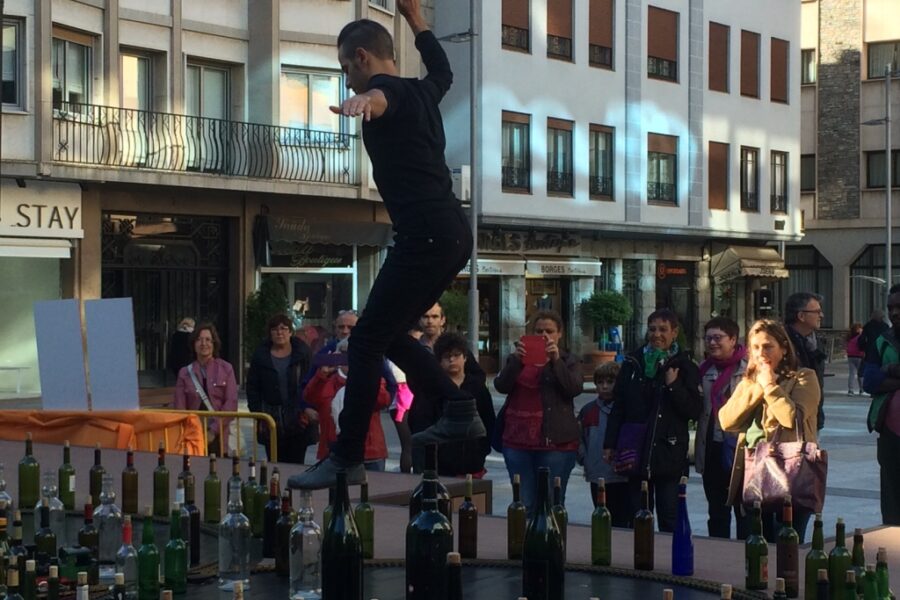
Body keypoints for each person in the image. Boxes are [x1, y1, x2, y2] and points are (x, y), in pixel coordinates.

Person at [288, 0, 485, 489]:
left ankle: (347, 455)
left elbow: (379, 99)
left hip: (425, 235)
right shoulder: (423, 90)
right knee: (388, 332)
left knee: (367, 341)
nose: (347, 82)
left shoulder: (385, 93)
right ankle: (458, 406)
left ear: (361, 56)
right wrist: (416, 18)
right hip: (451, 231)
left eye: (344, 69)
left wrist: (365, 103)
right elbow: (443, 70)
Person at [719, 319, 820, 542]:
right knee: (752, 542)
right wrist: (757, 387)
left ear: (784, 348)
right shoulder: (749, 382)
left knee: (784, 545)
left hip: (789, 472)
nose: (761, 353)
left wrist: (770, 387)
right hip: (753, 472)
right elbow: (726, 421)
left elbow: (793, 420)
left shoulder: (804, 377)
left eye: (768, 346)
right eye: (755, 347)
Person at [602, 308, 702, 533]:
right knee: (638, 515)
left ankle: (667, 564)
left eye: (663, 330)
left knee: (669, 515)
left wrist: (673, 385)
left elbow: (693, 410)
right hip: (636, 449)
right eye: (653, 329)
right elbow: (619, 406)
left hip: (669, 451)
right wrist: (610, 444)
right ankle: (642, 560)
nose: (657, 334)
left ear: (674, 333)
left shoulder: (684, 365)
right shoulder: (633, 362)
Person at [494, 310, 583, 515]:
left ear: (559, 334)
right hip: (517, 441)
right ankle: (525, 545)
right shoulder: (516, 359)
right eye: (538, 331)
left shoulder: (568, 361)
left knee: (551, 505)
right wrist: (517, 361)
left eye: (549, 331)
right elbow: (501, 385)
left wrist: (555, 361)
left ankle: (551, 546)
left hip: (555, 444)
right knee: (524, 502)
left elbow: (573, 388)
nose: (544, 335)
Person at [303, 339, 392, 471]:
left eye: (354, 354)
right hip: (332, 453)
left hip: (369, 453)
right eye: (344, 354)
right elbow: (309, 397)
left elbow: (383, 401)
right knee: (335, 491)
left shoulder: (372, 378)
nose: (349, 359)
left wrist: (367, 371)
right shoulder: (326, 381)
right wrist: (322, 374)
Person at [696, 317, 748, 539]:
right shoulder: (703, 370)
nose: (712, 343)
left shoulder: (750, 370)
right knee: (717, 512)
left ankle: (746, 560)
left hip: (741, 450)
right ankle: (719, 556)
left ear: (733, 339)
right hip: (712, 449)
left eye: (718, 338)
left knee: (745, 511)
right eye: (708, 338)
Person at [246, 314, 315, 464]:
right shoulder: (260, 356)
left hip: (298, 419)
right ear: (270, 333)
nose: (279, 332)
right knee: (274, 464)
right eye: (275, 329)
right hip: (270, 419)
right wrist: (258, 412)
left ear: (290, 332)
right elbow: (252, 386)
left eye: (284, 328)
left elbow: (312, 381)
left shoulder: (303, 353)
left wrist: (308, 407)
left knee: (296, 464)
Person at [431, 332, 496, 478]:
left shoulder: (477, 387)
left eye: (456, 355)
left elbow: (488, 419)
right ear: (439, 360)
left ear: (465, 357)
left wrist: (482, 450)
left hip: (472, 462)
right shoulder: (433, 388)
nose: (452, 360)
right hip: (441, 464)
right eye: (447, 356)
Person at [862, 289, 900, 525]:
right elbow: (869, 381)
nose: (894, 312)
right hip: (890, 433)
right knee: (892, 499)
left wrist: (889, 371)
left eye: (899, 307)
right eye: (891, 308)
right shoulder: (881, 340)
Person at [577, 361, 630, 528]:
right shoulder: (588, 410)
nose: (605, 387)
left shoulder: (626, 409)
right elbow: (579, 438)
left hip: (621, 476)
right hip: (596, 473)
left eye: (610, 382)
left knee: (621, 520)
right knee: (602, 518)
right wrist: (585, 459)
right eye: (600, 383)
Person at [173, 323, 238, 456]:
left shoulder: (226, 368)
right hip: (192, 434)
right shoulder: (184, 373)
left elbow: (231, 403)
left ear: (214, 344)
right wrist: (192, 431)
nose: (203, 343)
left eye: (208, 339)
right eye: (199, 339)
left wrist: (213, 431)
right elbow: (180, 407)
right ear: (193, 344)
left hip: (219, 432)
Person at [784, 292, 827, 430]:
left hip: (813, 417)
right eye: (817, 312)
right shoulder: (781, 343)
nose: (821, 316)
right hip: (788, 418)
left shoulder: (815, 343)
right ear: (801, 316)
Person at [846, 323, 865, 396]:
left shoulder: (850, 337)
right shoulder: (860, 337)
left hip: (850, 356)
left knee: (852, 373)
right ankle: (862, 389)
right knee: (860, 373)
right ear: (858, 329)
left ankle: (850, 390)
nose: (862, 329)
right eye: (860, 328)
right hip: (859, 356)